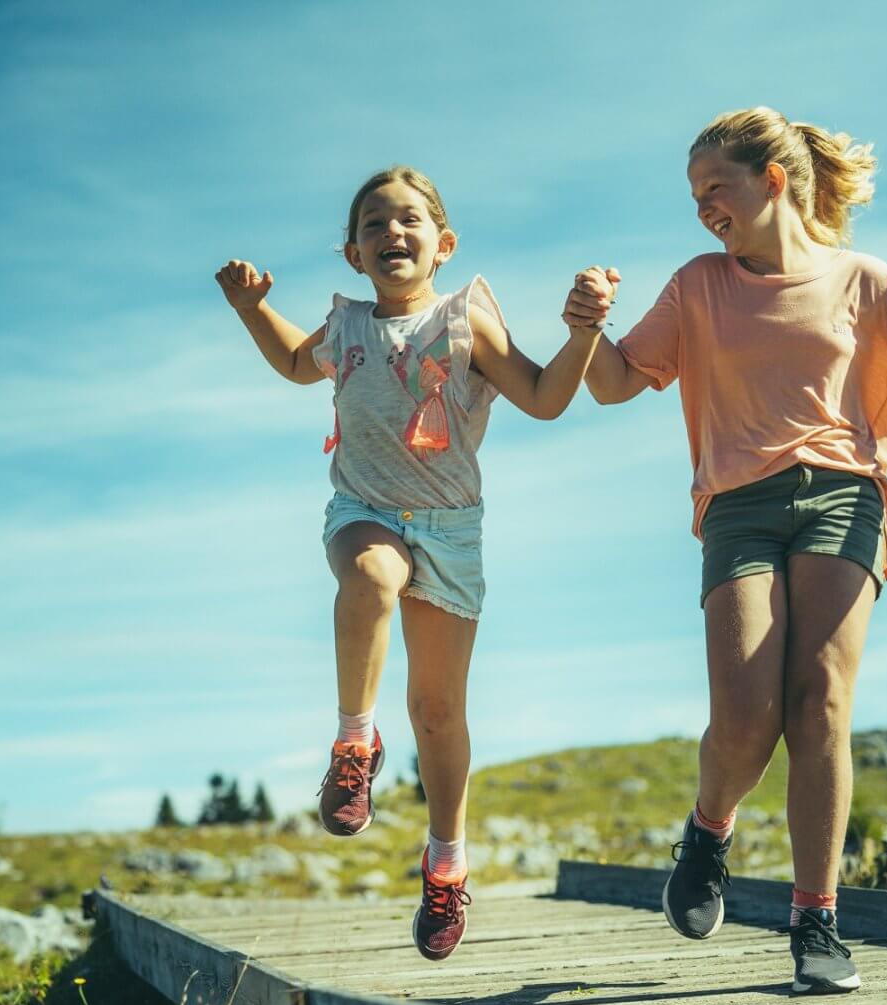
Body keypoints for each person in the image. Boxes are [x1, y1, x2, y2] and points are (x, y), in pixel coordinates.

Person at [563, 107, 887, 994]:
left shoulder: (868, 282)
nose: (703, 208)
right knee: (745, 720)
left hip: (845, 498)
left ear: (774, 180)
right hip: (737, 506)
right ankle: (708, 832)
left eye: (716, 188)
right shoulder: (697, 284)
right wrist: (586, 326)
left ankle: (818, 923)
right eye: (694, 195)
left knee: (820, 700)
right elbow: (616, 384)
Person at [216, 166, 604, 960]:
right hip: (365, 509)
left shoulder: (467, 324)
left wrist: (584, 335)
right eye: (373, 225)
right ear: (354, 255)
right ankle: (354, 745)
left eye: (410, 221)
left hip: (452, 531)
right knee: (369, 576)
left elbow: (544, 398)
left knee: (436, 712)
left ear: (443, 244)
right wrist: (253, 311)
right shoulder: (347, 326)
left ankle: (446, 863)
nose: (392, 233)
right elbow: (296, 363)